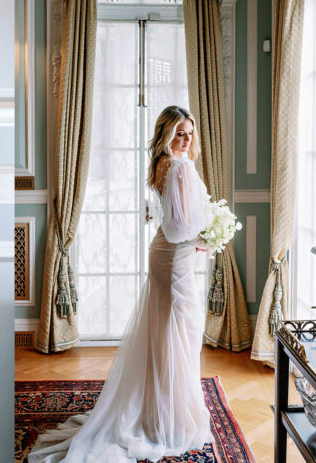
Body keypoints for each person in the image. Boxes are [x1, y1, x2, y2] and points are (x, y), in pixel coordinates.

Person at [27, 106, 214, 462]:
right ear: (167, 134)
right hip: (175, 257)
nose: (186, 139)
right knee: (179, 332)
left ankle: (159, 408)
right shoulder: (179, 167)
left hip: (166, 254)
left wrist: (201, 233)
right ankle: (169, 418)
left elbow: (175, 222)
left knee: (167, 332)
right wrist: (205, 235)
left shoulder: (163, 164)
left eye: (190, 133)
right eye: (179, 133)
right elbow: (179, 229)